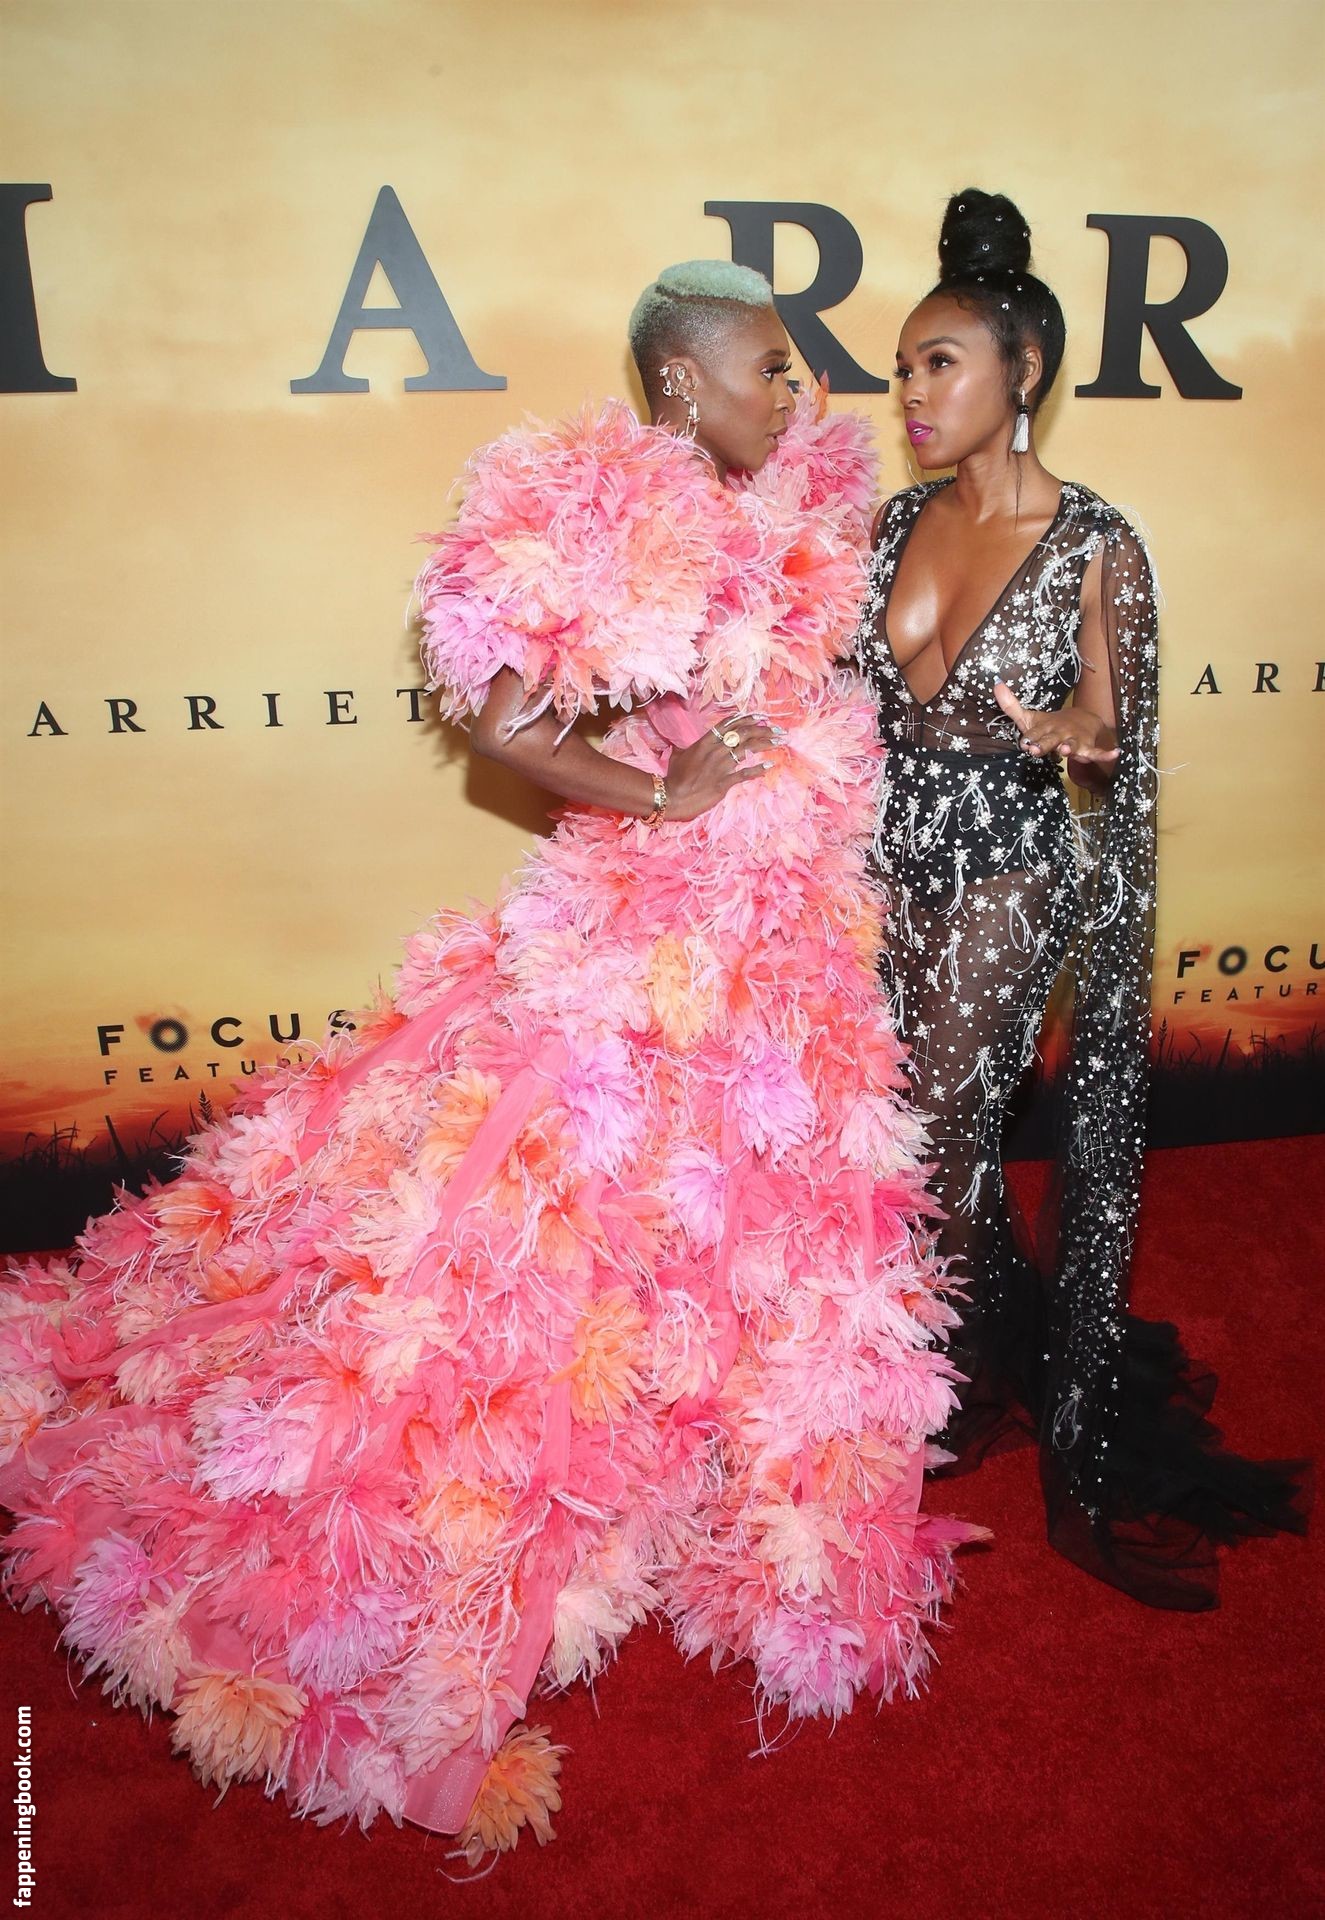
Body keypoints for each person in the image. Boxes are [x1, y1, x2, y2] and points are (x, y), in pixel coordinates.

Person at [0, 261, 979, 1864]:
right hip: (655, 927)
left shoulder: (802, 493)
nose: (793, 388)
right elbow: (500, 715)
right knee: (558, 1217)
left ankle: (720, 1475)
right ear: (680, 380)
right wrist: (661, 793)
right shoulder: (592, 506)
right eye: (763, 365)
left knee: (767, 1204)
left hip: (794, 931)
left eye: (795, 364)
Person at [856, 189, 1306, 1610]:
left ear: (1024, 369)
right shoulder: (890, 522)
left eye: (940, 362)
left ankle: (981, 1360)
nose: (911, 390)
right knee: (902, 1134)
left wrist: (1073, 733)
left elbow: (1117, 730)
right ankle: (994, 1334)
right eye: (902, 367)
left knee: (943, 1128)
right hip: (879, 862)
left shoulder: (1097, 542)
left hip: (1008, 863)